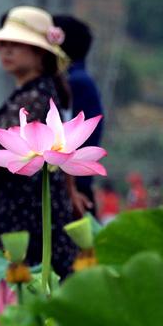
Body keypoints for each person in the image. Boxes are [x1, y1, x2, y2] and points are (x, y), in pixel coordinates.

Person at [0, 5, 77, 277]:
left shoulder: (34, 98)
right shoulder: (33, 93)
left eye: (16, 44)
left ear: (40, 53)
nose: (6, 50)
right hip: (23, 212)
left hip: (27, 215)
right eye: (4, 44)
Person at [53, 15, 104, 217]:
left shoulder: (75, 82)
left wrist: (74, 186)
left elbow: (78, 139)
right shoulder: (74, 80)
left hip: (73, 185)